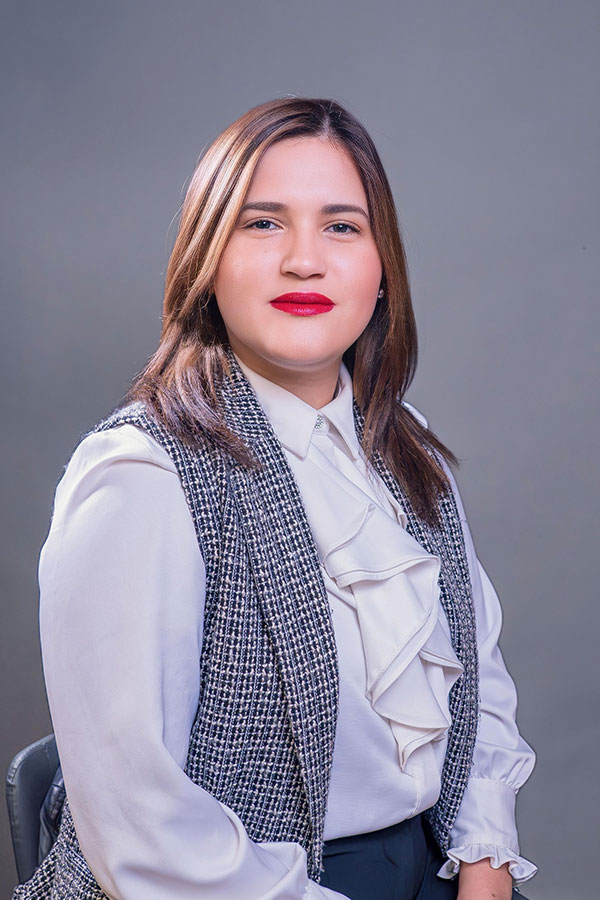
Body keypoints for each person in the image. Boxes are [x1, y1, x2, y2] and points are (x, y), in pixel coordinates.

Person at [13, 97, 537, 900]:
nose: (303, 260)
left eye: (342, 226)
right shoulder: (140, 475)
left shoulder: (406, 446)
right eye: (262, 223)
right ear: (207, 259)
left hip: (434, 864)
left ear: (382, 268)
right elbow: (142, 830)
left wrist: (486, 858)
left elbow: (478, 679)